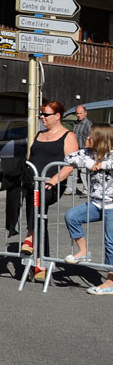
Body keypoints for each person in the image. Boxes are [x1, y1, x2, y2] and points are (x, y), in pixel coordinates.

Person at [21, 101, 79, 282]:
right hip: (34, 183)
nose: (42, 118)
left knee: (39, 205)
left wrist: (54, 180)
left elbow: (71, 165)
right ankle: (40, 264)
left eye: (46, 115)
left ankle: (29, 236)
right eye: (42, 115)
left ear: (57, 116)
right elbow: (32, 158)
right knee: (40, 218)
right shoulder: (40, 134)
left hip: (51, 185)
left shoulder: (68, 136)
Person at [62, 124, 113, 295]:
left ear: (101, 138)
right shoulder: (88, 153)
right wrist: (91, 162)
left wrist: (102, 165)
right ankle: (83, 252)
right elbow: (69, 158)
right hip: (97, 203)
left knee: (110, 244)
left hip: (112, 205)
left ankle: (110, 282)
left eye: (90, 136)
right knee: (71, 216)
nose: (87, 138)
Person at [69, 105, 92, 195]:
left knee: (84, 170)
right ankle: (70, 189)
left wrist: (87, 150)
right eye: (77, 113)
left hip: (84, 150)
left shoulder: (88, 124)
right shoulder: (75, 123)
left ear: (85, 113)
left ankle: (86, 190)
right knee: (72, 168)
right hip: (75, 149)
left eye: (80, 113)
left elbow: (90, 138)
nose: (78, 115)